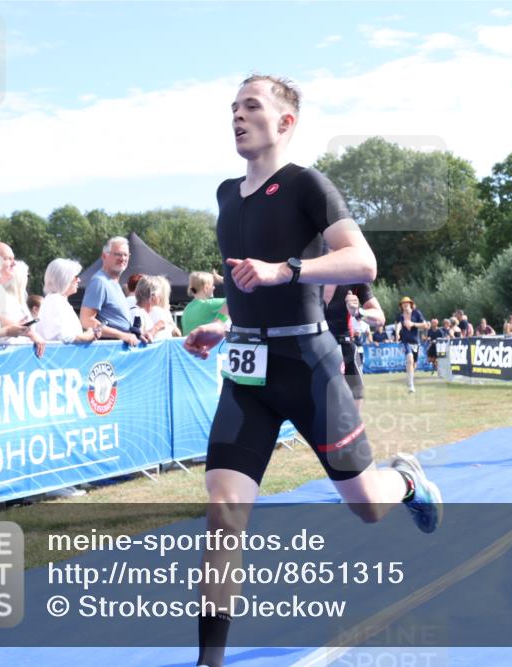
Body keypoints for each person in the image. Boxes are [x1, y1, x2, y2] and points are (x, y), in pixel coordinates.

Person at [180, 74, 441, 667]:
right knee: (223, 510)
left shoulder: (306, 185)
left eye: (251, 107)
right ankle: (209, 662)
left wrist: (286, 270)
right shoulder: (225, 194)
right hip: (247, 373)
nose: (238, 117)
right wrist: (222, 326)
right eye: (233, 109)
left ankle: (406, 481)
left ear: (286, 122)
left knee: (368, 507)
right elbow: (246, 289)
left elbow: (362, 259)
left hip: (309, 366)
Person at [324, 283, 384, 413]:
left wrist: (358, 312)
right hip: (313, 349)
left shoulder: (354, 279)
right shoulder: (304, 274)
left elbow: (380, 318)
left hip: (345, 348)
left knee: (354, 406)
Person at [80, 237, 144, 346]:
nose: (122, 258)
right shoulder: (99, 282)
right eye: (118, 254)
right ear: (104, 256)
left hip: (118, 350)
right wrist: (122, 335)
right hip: (109, 352)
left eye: (126, 255)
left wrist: (138, 334)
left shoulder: (113, 283)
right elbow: (86, 320)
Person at [34, 258, 98, 344]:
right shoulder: (55, 301)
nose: (79, 280)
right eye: (76, 277)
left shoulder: (57, 300)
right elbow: (64, 336)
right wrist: (87, 336)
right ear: (65, 279)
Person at [394, 296, 427, 393]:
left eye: (407, 303)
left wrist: (413, 324)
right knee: (409, 358)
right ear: (401, 305)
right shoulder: (400, 315)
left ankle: (410, 378)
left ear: (410, 304)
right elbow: (399, 324)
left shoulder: (417, 313)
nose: (405, 305)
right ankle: (411, 386)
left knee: (414, 364)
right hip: (405, 341)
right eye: (403, 303)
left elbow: (424, 325)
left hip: (415, 342)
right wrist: (397, 332)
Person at [180, 271, 228, 335]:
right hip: (207, 344)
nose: (214, 287)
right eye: (212, 285)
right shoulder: (209, 305)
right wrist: (225, 280)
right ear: (206, 288)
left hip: (190, 343)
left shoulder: (187, 308)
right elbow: (234, 300)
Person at [129, 275, 168, 341]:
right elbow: (138, 340)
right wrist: (155, 328)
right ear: (153, 296)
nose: (160, 297)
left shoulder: (141, 313)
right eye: (159, 294)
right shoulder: (137, 313)